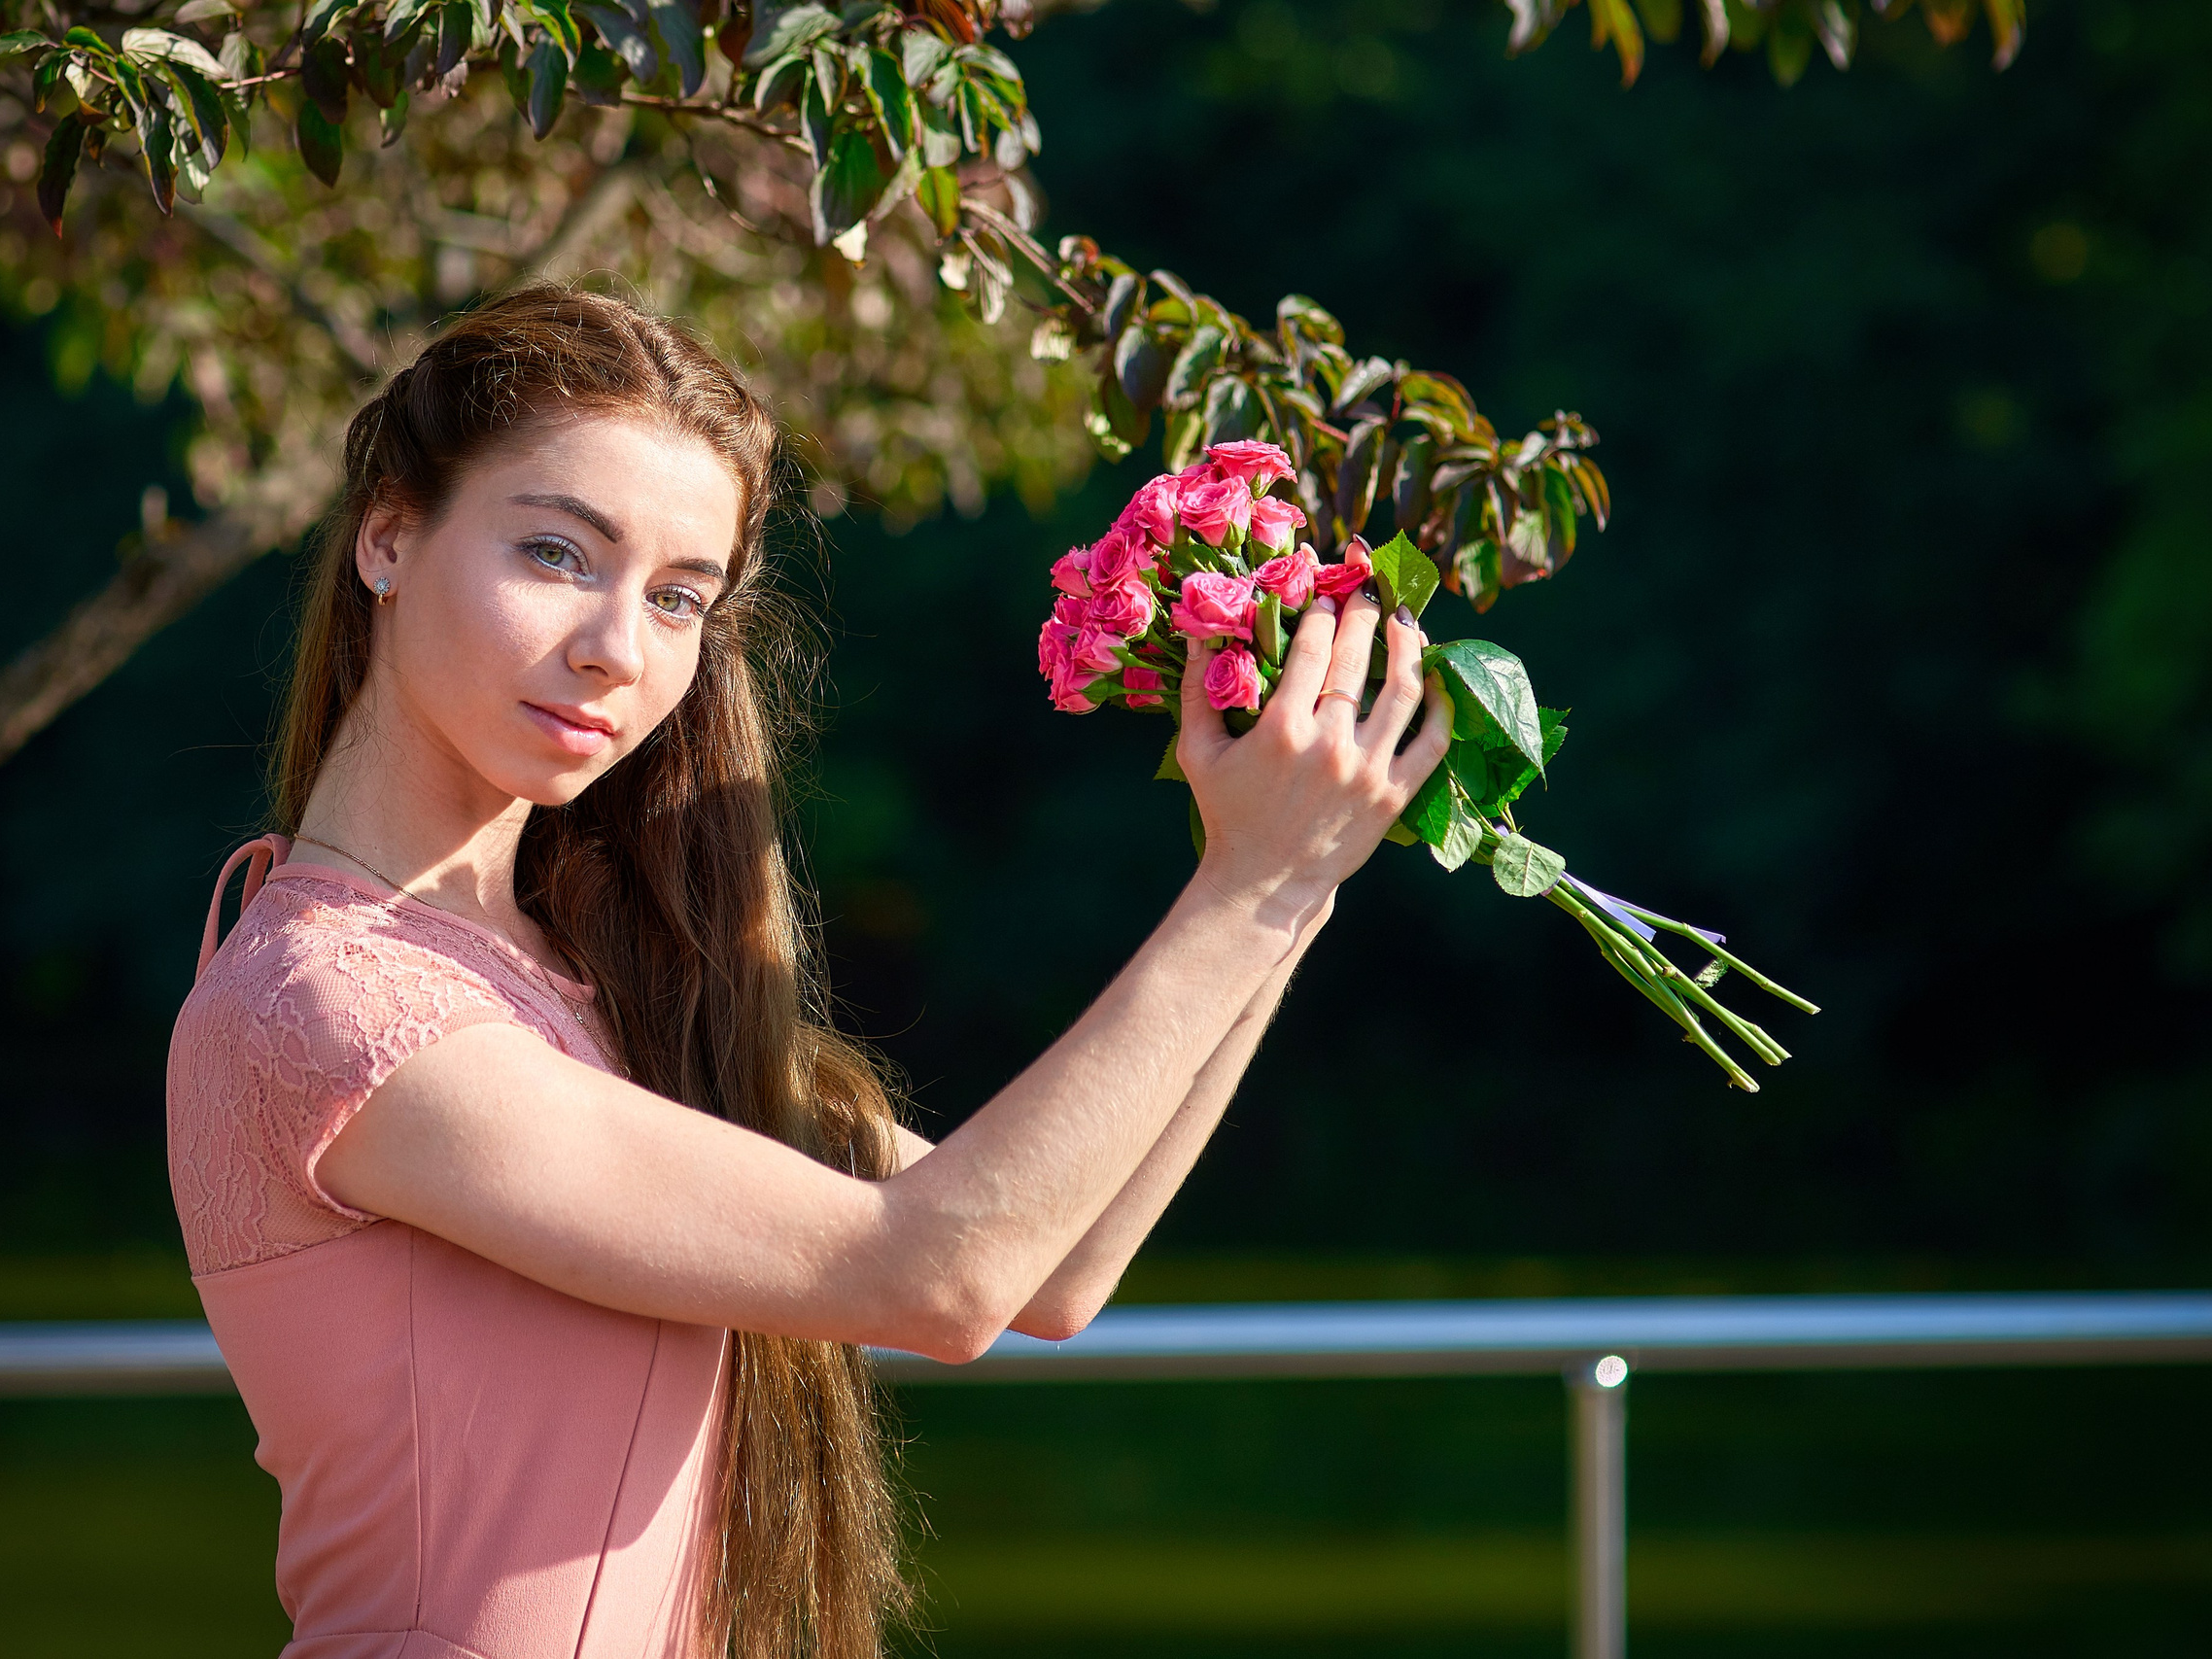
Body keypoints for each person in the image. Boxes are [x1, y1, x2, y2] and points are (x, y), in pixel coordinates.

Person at [167, 284, 1449, 1659]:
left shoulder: (573, 979)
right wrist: (1244, 880)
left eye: (677, 598)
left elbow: (1052, 1273)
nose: (616, 646)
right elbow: (943, 1276)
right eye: (554, 553)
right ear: (389, 537)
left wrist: (1293, 878)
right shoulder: (329, 1009)